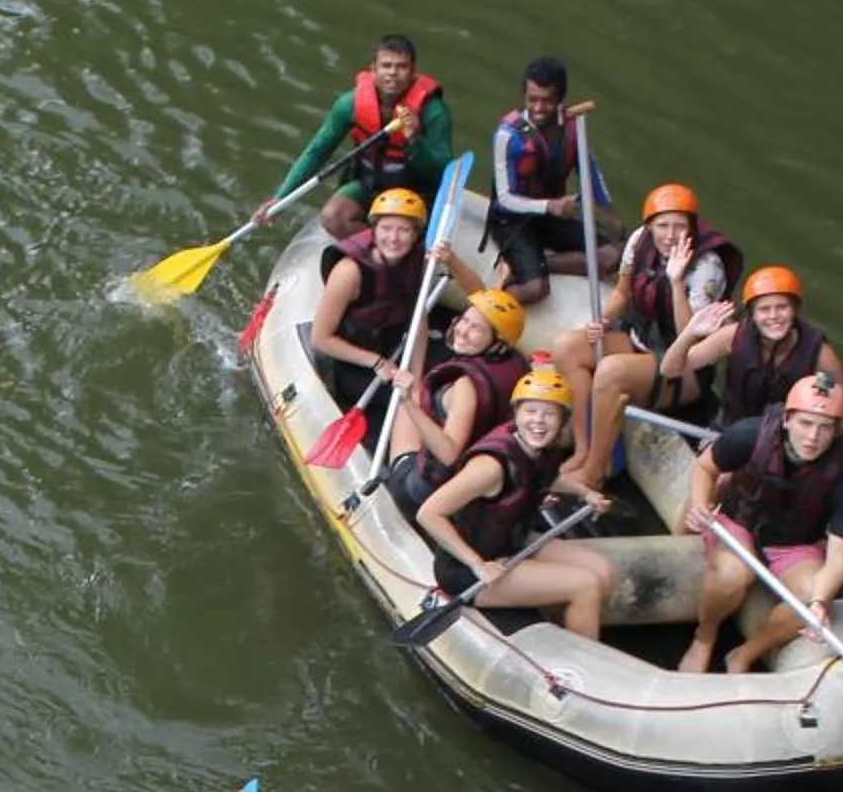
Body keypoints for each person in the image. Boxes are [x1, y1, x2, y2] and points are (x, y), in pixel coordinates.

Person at [552, 184, 744, 497]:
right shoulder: (639, 241)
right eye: (662, 226)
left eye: (679, 226)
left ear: (691, 227)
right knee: (567, 348)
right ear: (650, 225)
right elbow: (623, 292)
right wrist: (604, 318)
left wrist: (677, 279)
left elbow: (691, 335)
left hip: (683, 365)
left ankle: (593, 474)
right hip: (641, 339)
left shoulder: (707, 268)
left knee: (610, 372)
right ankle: (583, 449)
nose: (670, 235)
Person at [682, 371, 843, 674]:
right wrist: (701, 505)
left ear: (836, 431)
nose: (812, 438)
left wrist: (820, 602)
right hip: (741, 521)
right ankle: (704, 638)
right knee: (731, 574)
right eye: (805, 423)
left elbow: (838, 558)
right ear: (787, 419)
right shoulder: (750, 435)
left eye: (824, 428)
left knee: (809, 601)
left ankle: (744, 655)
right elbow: (704, 468)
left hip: (796, 541)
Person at [414, 365, 619, 634]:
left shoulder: (541, 450)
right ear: (517, 413)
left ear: (562, 421)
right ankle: (580, 665)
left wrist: (586, 494)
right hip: (468, 568)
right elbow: (428, 514)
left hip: (512, 543)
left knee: (604, 572)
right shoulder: (490, 467)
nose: (539, 421)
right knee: (587, 584)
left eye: (549, 414)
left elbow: (544, 477)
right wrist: (478, 565)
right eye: (531, 411)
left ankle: (567, 621)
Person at [256, 35, 455, 243]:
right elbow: (317, 151)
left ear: (413, 71)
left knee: (401, 227)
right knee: (332, 217)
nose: (393, 73)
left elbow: (442, 170)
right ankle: (380, 252)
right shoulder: (349, 104)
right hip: (367, 182)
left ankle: (402, 249)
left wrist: (414, 139)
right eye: (386, 66)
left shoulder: (435, 112)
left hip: (414, 190)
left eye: (401, 67)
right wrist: (281, 198)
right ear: (373, 69)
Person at [377, 287, 529, 512]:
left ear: (497, 342)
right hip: (469, 481)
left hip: (423, 490)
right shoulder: (518, 365)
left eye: (476, 328)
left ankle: (395, 474)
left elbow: (448, 454)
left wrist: (408, 400)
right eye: (464, 320)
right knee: (420, 387)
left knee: (414, 392)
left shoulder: (465, 387)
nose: (463, 331)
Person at [655, 264, 843, 431]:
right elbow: (670, 370)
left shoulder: (819, 355)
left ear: (794, 310)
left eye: (782, 307)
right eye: (764, 309)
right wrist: (690, 333)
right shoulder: (732, 336)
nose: (773, 316)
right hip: (730, 430)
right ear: (752, 315)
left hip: (783, 442)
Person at [482, 59, 614, 304]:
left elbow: (590, 172)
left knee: (611, 254)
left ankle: (541, 264)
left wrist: (608, 210)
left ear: (560, 99)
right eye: (532, 99)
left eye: (547, 101)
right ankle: (498, 292)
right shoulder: (508, 135)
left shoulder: (574, 128)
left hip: (549, 217)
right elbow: (504, 198)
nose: (539, 108)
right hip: (511, 219)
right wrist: (549, 206)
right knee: (535, 289)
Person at [306, 187, 433, 410]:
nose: (393, 238)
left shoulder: (416, 261)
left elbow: (418, 318)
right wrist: (376, 362)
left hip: (392, 349)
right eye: (386, 228)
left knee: (429, 393)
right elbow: (320, 339)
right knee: (412, 408)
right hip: (351, 362)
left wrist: (417, 376)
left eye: (403, 230)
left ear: (415, 236)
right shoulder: (349, 273)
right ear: (373, 230)